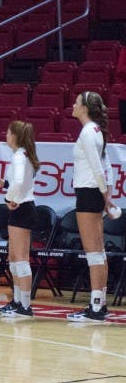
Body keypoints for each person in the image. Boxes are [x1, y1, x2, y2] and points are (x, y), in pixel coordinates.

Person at [67, 91, 112, 323]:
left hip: (88, 193)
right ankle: (101, 303)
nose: (73, 105)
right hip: (94, 193)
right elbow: (107, 164)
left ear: (84, 107)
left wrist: (106, 196)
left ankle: (95, 309)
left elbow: (97, 167)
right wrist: (108, 192)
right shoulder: (95, 130)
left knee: (93, 253)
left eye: (76, 102)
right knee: (99, 251)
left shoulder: (87, 132)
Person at [0, 121, 39, 319]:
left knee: (21, 259)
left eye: (7, 132)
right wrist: (4, 183)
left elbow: (20, 182)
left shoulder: (19, 156)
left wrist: (8, 198)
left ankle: (25, 306)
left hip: (22, 208)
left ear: (15, 136)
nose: (6, 135)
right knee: (13, 257)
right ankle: (17, 301)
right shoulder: (23, 155)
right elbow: (18, 182)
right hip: (22, 208)